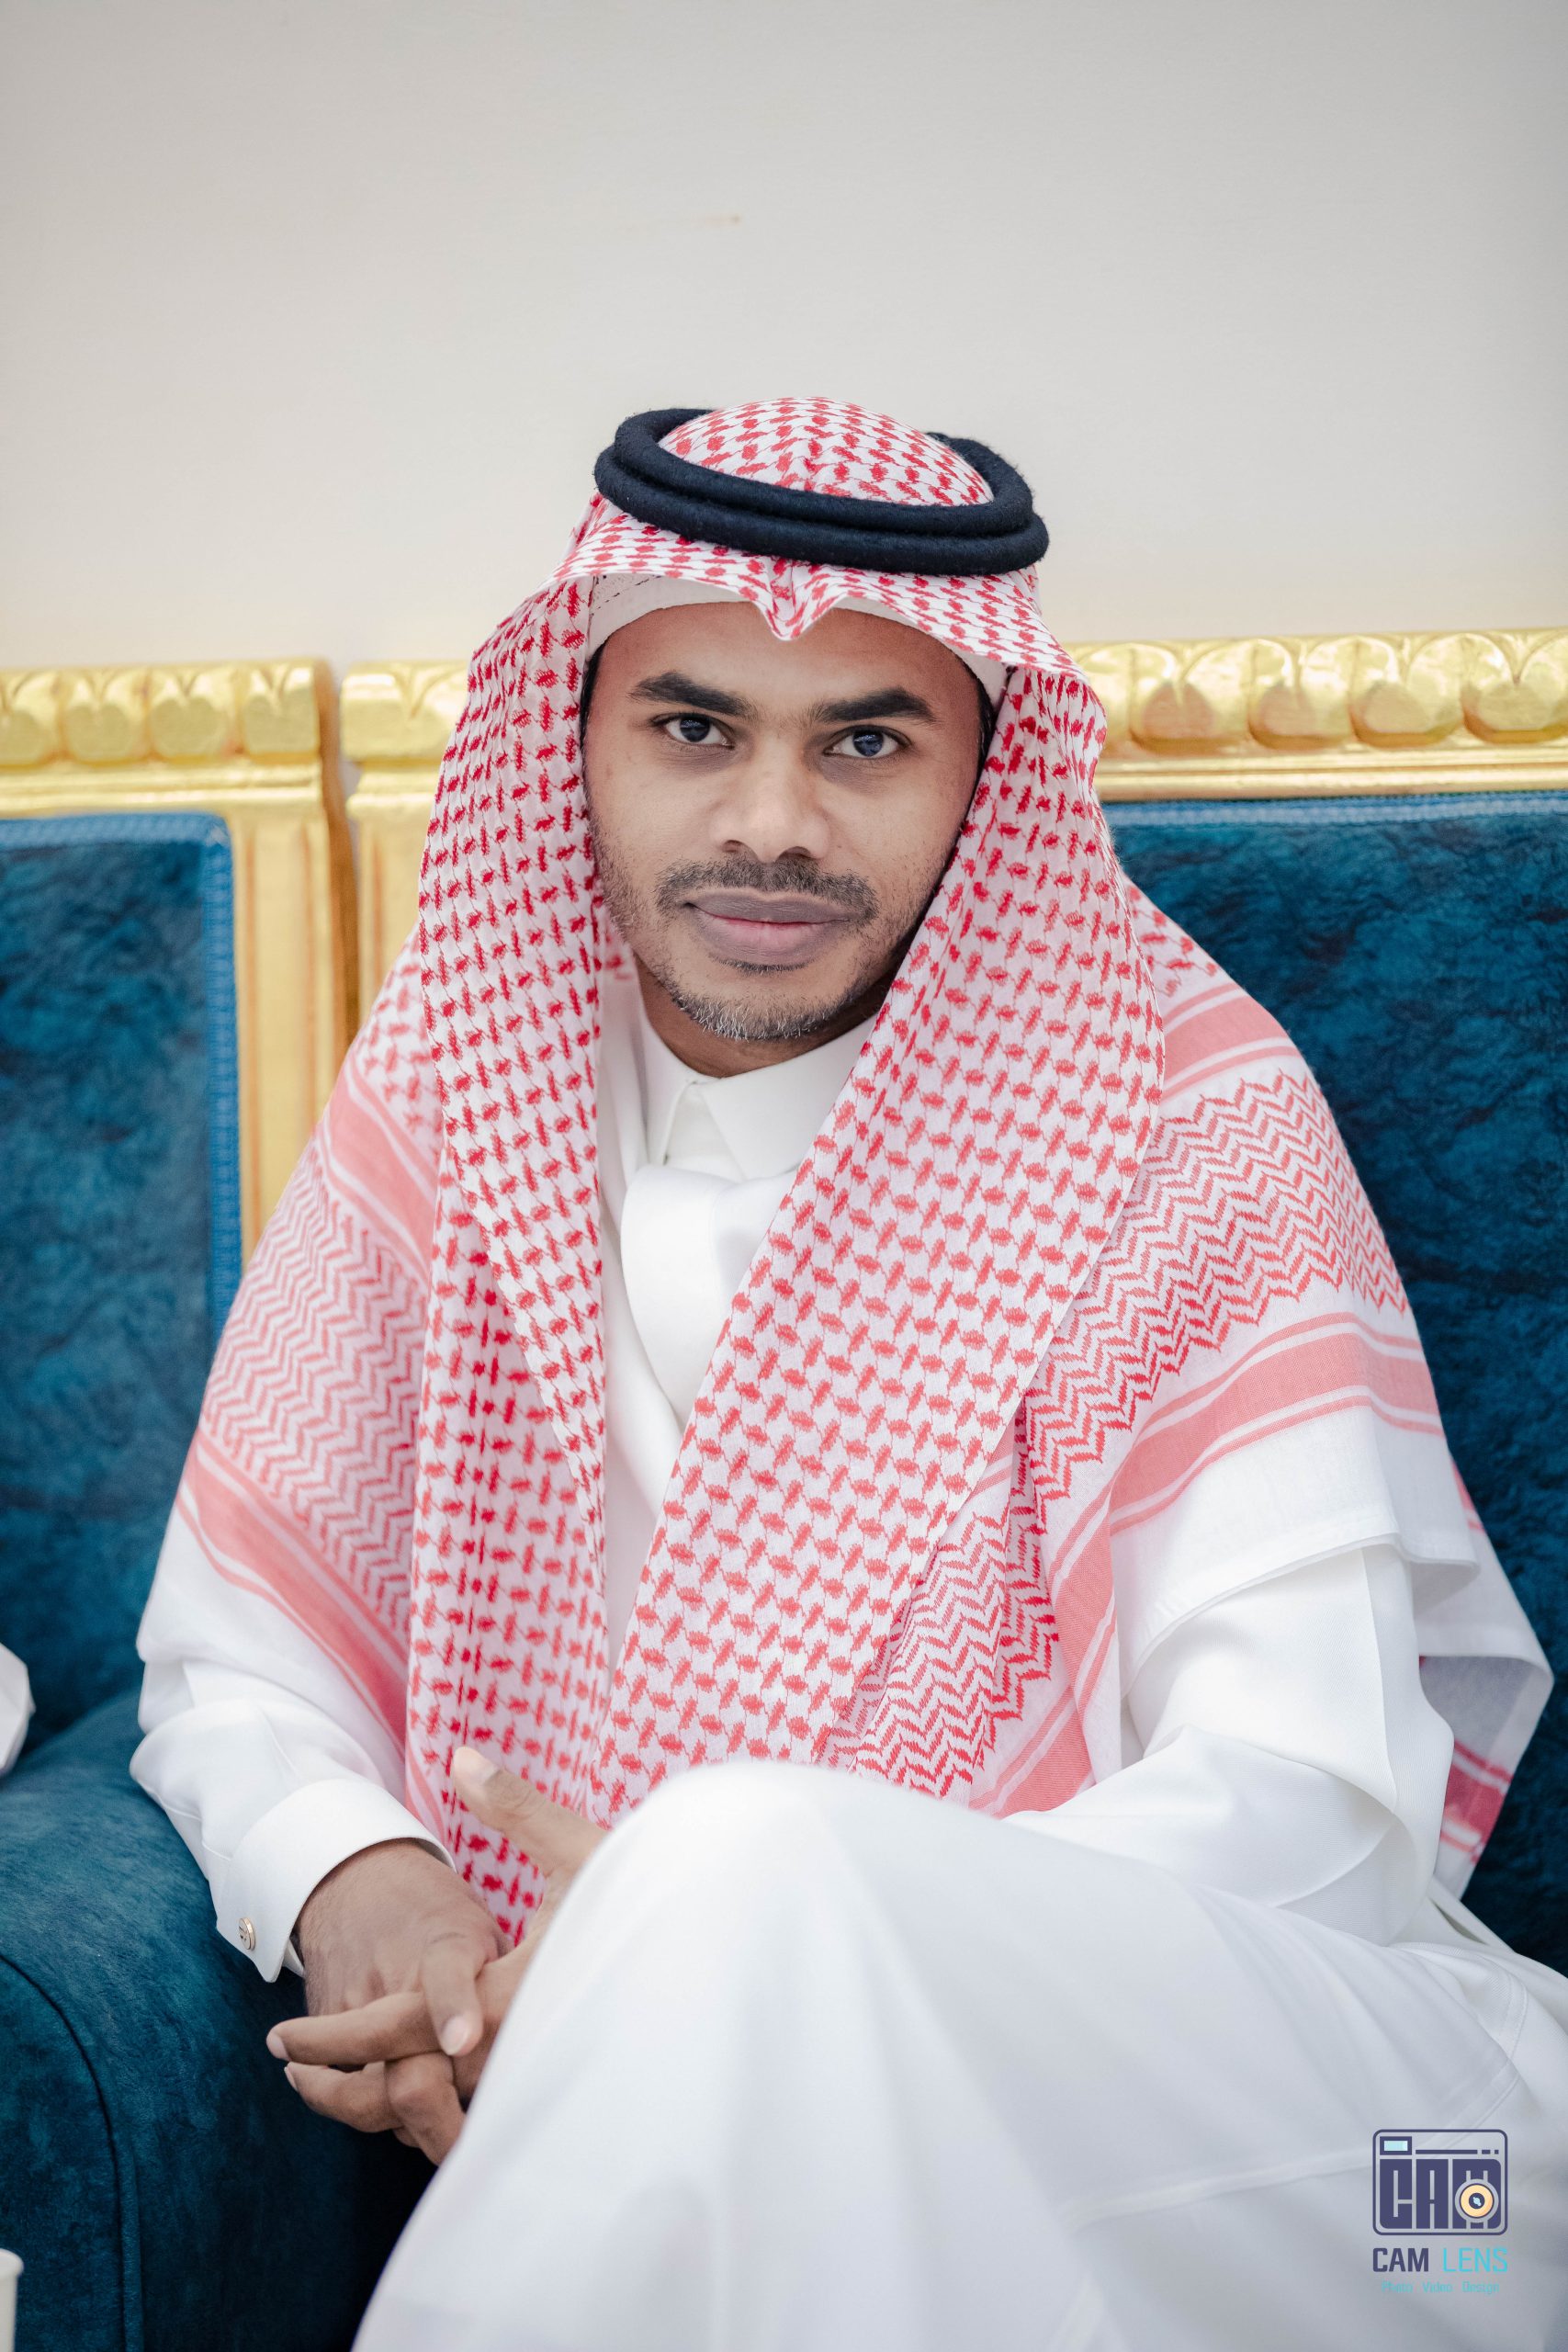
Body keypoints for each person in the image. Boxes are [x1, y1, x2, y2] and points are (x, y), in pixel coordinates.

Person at [131, 400, 1567, 2350]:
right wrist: (369, 1880)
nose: (772, 825)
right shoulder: (458, 1081)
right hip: (681, 2121)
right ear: (575, 738)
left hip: (1375, 2169)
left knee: (736, 1871)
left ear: (984, 776)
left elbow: (1306, 1813)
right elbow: (235, 1651)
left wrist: (714, 1948)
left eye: (867, 743)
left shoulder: (1181, 1116)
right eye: (693, 727)